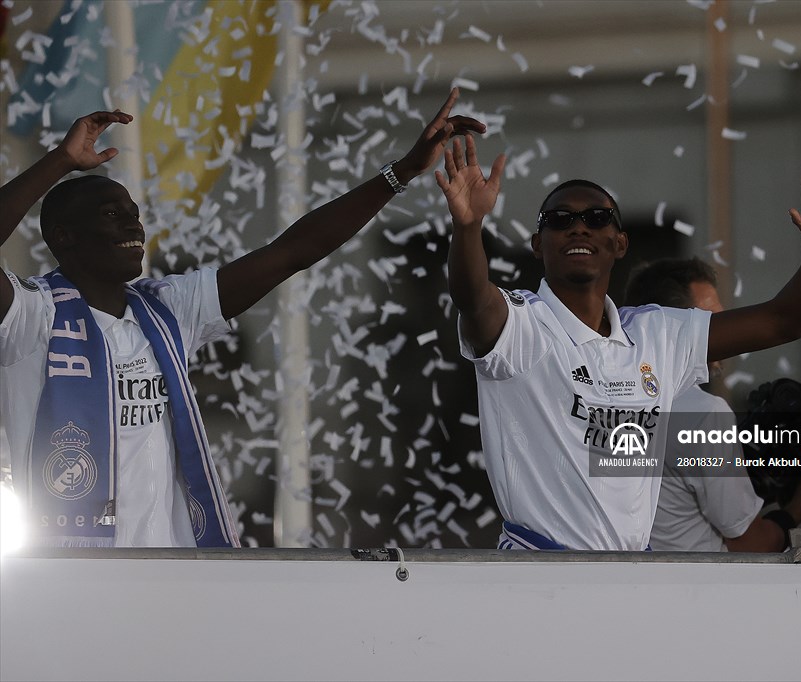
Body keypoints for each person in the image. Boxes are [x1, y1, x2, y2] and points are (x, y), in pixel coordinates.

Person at [0, 90, 484, 548]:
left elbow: (294, 251)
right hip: (65, 572)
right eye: (111, 214)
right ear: (63, 237)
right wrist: (60, 161)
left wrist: (402, 172)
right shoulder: (33, 314)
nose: (134, 225)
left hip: (174, 569)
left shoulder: (167, 309)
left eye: (135, 213)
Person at [436, 135, 801, 550]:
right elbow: (473, 300)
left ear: (620, 243)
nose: (578, 226)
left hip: (634, 580)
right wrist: (468, 227)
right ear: (537, 245)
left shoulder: (658, 334)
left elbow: (786, 321)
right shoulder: (522, 327)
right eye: (559, 219)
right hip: (541, 578)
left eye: (598, 218)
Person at [624, 257, 801, 552]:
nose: (725, 330)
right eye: (711, 321)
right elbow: (750, 543)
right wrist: (798, 508)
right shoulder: (704, 413)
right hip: (696, 592)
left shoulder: (608, 397)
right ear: (677, 326)